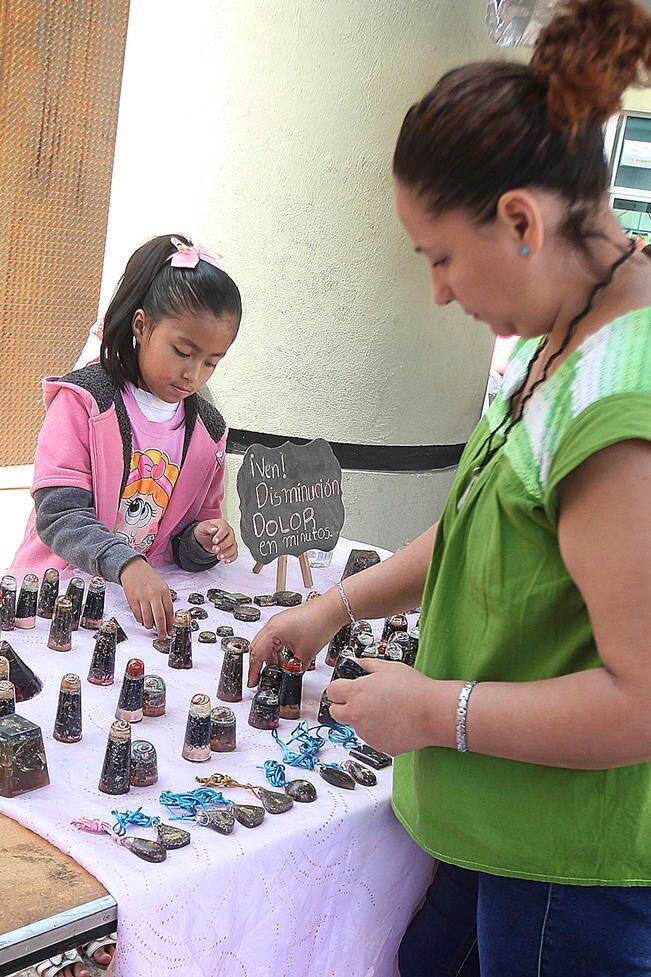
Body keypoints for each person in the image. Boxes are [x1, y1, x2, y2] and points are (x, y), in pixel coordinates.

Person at [249, 1, 651, 973]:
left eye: (438, 256)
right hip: (495, 819)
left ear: (520, 219)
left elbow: (640, 700)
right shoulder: (556, 326)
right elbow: (479, 522)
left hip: (565, 870)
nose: (436, 289)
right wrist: (333, 606)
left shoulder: (617, 404)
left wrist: (436, 711)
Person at [10, 233, 240, 641]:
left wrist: (204, 541)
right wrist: (128, 565)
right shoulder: (84, 402)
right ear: (141, 325)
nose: (194, 375)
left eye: (211, 362)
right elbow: (59, 515)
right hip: (52, 601)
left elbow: (188, 530)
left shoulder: (209, 431)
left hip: (134, 616)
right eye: (182, 352)